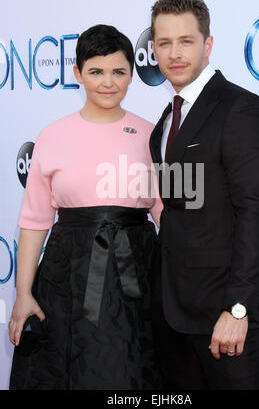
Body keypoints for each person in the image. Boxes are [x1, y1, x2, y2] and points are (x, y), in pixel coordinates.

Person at [9, 24, 162, 390]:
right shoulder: (52, 135)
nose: (108, 82)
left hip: (137, 271)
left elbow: (166, 216)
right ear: (78, 74)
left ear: (132, 74)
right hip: (68, 273)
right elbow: (34, 222)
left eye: (118, 72)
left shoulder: (151, 134)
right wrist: (23, 294)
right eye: (96, 72)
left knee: (133, 371)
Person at [149, 0, 259, 390]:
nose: (175, 53)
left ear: (207, 44)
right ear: (153, 49)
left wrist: (238, 309)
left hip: (225, 321)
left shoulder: (241, 108)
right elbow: (178, 211)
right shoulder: (168, 119)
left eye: (186, 41)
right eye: (164, 43)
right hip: (172, 318)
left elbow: (256, 213)